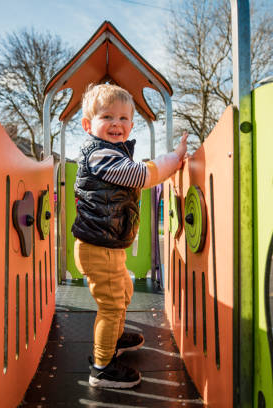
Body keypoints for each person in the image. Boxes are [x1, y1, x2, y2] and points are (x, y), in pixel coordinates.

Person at [73, 83, 188, 388]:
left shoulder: (111, 154)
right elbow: (140, 175)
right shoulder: (98, 155)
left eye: (124, 118)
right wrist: (173, 160)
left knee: (123, 289)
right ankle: (102, 366)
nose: (116, 123)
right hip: (98, 245)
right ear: (88, 125)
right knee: (111, 304)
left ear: (131, 125)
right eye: (107, 116)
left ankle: (116, 338)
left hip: (108, 242)